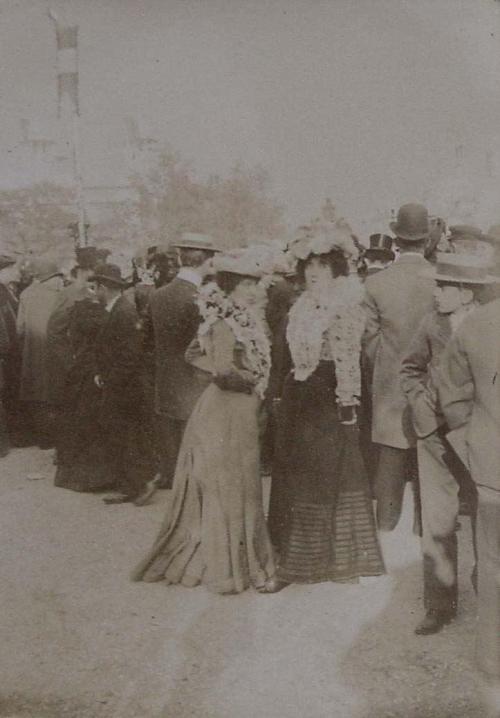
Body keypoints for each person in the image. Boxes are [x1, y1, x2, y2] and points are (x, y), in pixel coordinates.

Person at [132, 249, 275, 594]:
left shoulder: (241, 317)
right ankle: (231, 559)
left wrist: (223, 371)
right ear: (230, 286)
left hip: (235, 406)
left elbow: (194, 354)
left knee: (239, 478)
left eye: (255, 283)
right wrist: (248, 378)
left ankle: (242, 550)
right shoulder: (225, 320)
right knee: (231, 479)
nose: (253, 290)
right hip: (229, 407)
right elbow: (221, 368)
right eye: (245, 284)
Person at [263, 220, 384, 592]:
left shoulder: (346, 303)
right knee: (292, 476)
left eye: (323, 267)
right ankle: (287, 557)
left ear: (336, 269)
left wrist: (348, 405)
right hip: (300, 395)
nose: (314, 273)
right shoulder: (300, 305)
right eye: (309, 267)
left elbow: (348, 359)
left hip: (328, 398)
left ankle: (324, 560)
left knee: (325, 477)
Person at [401, 250, 494, 634]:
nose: (436, 292)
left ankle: (488, 593)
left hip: (478, 436)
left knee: (487, 519)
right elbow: (408, 368)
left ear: (468, 292)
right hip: (435, 436)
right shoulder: (431, 322)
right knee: (438, 519)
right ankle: (440, 605)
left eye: (444, 286)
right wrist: (420, 403)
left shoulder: (492, 326)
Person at [437, 292, 500, 715]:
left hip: (494, 469)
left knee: (495, 566)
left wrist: (473, 448)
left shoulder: (478, 322)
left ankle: (494, 659)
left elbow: (453, 400)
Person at [362, 204, 435, 537]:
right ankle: (426, 529)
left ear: (396, 240)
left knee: (389, 461)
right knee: (429, 461)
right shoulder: (440, 280)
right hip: (430, 388)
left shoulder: (376, 284)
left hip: (390, 388)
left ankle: (386, 531)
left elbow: (368, 341)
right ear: (426, 240)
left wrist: (387, 367)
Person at [148, 232, 220, 490]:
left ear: (180, 258)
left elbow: (148, 342)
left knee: (175, 445)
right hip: (196, 382)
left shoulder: (157, 295)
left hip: (166, 380)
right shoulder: (203, 299)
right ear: (208, 261)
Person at [91, 264, 155, 505]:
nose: (93, 291)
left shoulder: (123, 312)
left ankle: (138, 485)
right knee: (124, 434)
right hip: (122, 385)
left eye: (95, 287)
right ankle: (135, 484)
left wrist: (110, 379)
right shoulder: (118, 309)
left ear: (104, 287)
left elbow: (130, 355)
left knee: (124, 435)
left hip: (124, 388)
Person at [53, 290, 113, 492]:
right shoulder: (81, 307)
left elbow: (56, 332)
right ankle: (92, 477)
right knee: (87, 419)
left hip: (85, 368)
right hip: (87, 369)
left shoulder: (79, 308)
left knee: (84, 419)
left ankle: (89, 475)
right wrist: (71, 360)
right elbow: (56, 332)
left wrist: (69, 360)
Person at [17, 258, 64, 448]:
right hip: (55, 350)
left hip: (32, 353)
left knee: (37, 393)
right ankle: (57, 437)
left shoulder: (26, 294)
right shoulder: (59, 294)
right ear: (51, 277)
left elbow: (20, 328)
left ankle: (43, 438)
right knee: (56, 391)